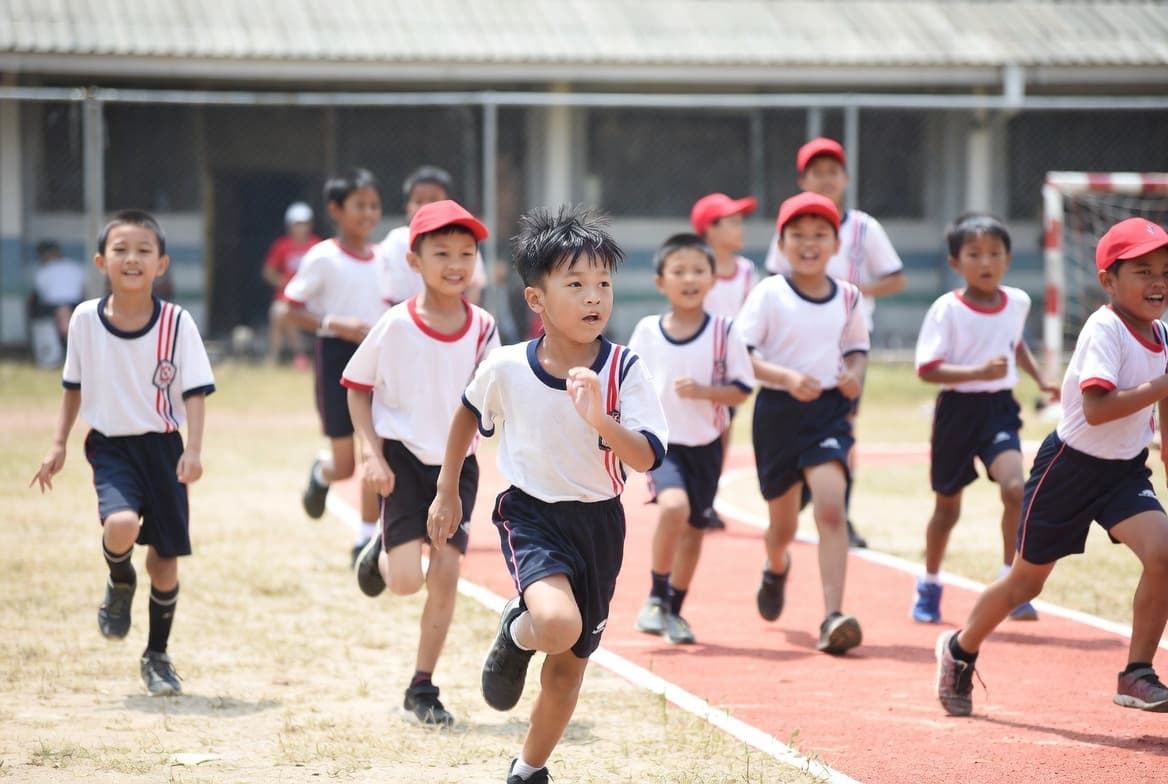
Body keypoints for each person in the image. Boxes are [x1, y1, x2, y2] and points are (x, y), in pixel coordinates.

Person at [427, 206, 668, 784]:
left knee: (567, 671)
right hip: (531, 515)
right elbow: (466, 415)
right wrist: (446, 490)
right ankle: (519, 629)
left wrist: (601, 420)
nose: (595, 298)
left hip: (601, 525)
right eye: (577, 284)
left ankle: (528, 769)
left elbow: (646, 456)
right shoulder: (507, 367)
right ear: (536, 300)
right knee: (556, 624)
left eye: (604, 284)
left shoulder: (626, 369)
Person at [936, 217, 1168, 716]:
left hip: (1124, 473)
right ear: (1108, 280)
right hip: (1069, 468)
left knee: (1165, 554)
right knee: (1026, 583)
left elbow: (1164, 395)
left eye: (1165, 271)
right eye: (1143, 271)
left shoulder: (1163, 333)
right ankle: (960, 648)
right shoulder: (1105, 328)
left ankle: (1137, 673)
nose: (1158, 282)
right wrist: (1162, 387)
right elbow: (1098, 409)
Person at [29, 210, 215, 696]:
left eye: (144, 251)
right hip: (111, 445)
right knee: (121, 527)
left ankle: (157, 655)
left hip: (164, 447)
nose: (132, 258)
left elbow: (194, 391)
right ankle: (119, 580)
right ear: (100, 261)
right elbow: (73, 385)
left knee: (165, 561)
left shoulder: (177, 322)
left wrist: (193, 450)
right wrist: (58, 444)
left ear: (162, 263)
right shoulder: (86, 320)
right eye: (120, 250)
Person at [345, 200, 498, 726]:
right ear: (414, 261)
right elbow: (357, 390)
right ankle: (380, 551)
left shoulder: (483, 327)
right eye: (441, 253)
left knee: (447, 571)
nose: (455, 263)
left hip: (457, 469)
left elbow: (494, 399)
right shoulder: (395, 325)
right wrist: (370, 454)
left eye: (466, 252)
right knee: (405, 581)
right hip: (404, 463)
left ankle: (422, 687)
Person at [911, 214, 1059, 624]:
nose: (986, 261)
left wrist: (1041, 379)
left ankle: (1011, 580)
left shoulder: (1018, 301)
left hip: (998, 408)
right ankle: (929, 581)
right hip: (957, 412)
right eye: (974, 254)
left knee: (1016, 489)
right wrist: (976, 372)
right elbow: (926, 370)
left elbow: (1014, 343)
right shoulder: (947, 309)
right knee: (947, 510)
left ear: (1008, 258)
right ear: (955, 263)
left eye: (994, 253)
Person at [738, 192, 869, 655]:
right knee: (783, 526)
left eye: (820, 235)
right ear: (782, 242)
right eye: (799, 235)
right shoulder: (769, 293)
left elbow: (856, 348)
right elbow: (743, 355)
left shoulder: (849, 296)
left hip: (828, 413)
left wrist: (854, 375)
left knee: (832, 509)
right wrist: (787, 378)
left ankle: (833, 615)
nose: (809, 244)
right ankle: (776, 565)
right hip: (777, 414)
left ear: (836, 243)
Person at [765, 138, 906, 549]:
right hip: (795, 342)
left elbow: (895, 277)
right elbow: (776, 278)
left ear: (845, 178)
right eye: (816, 173)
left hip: (845, 344)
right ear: (802, 180)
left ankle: (841, 513)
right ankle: (799, 493)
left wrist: (850, 291)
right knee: (791, 423)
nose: (825, 179)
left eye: (832, 172)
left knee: (844, 427)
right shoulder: (791, 223)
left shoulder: (863, 228)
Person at [627, 233, 754, 644]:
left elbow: (741, 388)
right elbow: (629, 382)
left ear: (713, 278)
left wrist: (705, 392)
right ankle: (655, 596)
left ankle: (674, 610)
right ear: (660, 281)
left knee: (696, 528)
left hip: (707, 444)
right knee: (673, 508)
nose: (689, 278)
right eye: (678, 271)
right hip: (662, 444)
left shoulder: (724, 331)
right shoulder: (647, 331)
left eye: (698, 270)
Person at [283, 168, 386, 563]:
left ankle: (364, 540)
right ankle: (321, 473)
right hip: (336, 360)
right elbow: (289, 308)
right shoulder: (323, 256)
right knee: (345, 465)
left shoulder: (385, 260)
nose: (368, 213)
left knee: (375, 451)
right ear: (335, 210)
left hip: (377, 361)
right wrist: (333, 323)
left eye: (374, 205)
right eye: (359, 205)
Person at [690, 192, 759, 531]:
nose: (740, 228)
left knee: (722, 432)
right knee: (695, 432)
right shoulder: (695, 268)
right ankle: (691, 494)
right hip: (696, 361)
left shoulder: (747, 272)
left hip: (730, 365)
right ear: (709, 230)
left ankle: (706, 499)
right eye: (731, 222)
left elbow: (752, 318)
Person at [379, 165, 487, 306]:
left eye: (433, 200)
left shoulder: (463, 238)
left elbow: (474, 288)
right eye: (419, 201)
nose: (426, 207)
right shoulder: (396, 240)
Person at [262, 202, 319, 368]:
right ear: (290, 226)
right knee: (279, 311)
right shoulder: (281, 246)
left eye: (305, 223)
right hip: (288, 298)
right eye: (297, 224)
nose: (301, 228)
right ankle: (282, 357)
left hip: (311, 299)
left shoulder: (316, 245)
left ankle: (304, 356)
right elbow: (268, 272)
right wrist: (283, 282)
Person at [28, 240, 85, 366]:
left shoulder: (44, 270)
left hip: (57, 306)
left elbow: (40, 294)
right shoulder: (75, 266)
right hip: (69, 305)